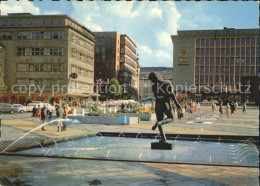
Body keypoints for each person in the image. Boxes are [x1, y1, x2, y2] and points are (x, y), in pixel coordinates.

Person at [148, 72, 182, 142]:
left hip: (158, 104)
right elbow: (172, 95)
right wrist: (177, 104)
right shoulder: (167, 82)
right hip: (165, 103)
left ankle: (163, 137)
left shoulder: (153, 87)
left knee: (159, 118)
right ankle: (159, 123)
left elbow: (157, 97)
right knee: (172, 118)